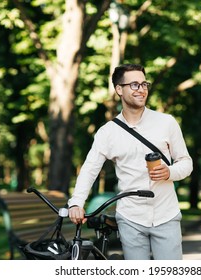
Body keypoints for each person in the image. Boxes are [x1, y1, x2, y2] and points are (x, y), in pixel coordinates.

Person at [67, 64, 193, 260]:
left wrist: (170, 172)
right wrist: (76, 203)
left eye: (144, 84)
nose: (141, 89)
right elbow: (90, 169)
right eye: (134, 84)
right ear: (119, 89)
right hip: (130, 218)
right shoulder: (108, 132)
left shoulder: (166, 122)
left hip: (166, 214)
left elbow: (186, 162)